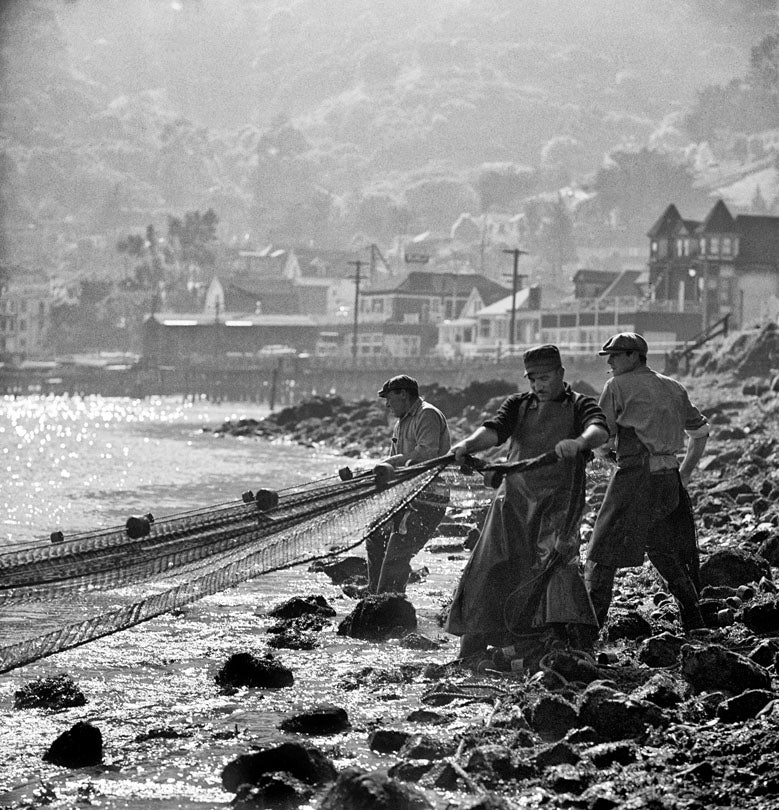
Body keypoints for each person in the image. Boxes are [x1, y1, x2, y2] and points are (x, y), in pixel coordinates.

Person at [445, 345, 609, 661]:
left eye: (544, 378)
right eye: (532, 379)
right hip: (512, 500)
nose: (538, 385)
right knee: (490, 566)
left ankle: (558, 643)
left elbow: (599, 430)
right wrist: (467, 444)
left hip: (559, 503)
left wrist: (579, 442)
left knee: (554, 569)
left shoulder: (580, 406)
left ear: (561, 374)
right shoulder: (519, 405)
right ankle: (474, 647)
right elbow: (494, 431)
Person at [584, 332, 710, 632]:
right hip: (668, 481)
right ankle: (694, 621)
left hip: (635, 480)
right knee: (663, 549)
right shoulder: (675, 387)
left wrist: (606, 455)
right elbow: (701, 433)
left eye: (615, 355)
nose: (610, 362)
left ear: (633, 357)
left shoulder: (616, 386)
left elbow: (601, 436)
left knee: (602, 552)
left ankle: (587, 634)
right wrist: (687, 472)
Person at [365, 374, 451, 594]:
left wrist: (388, 463)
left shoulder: (427, 414)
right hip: (406, 495)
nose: (387, 404)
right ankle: (376, 594)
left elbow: (426, 454)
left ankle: (388, 605)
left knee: (397, 552)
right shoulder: (401, 423)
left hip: (428, 497)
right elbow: (395, 465)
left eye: (389, 398)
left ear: (404, 394)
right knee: (375, 533)